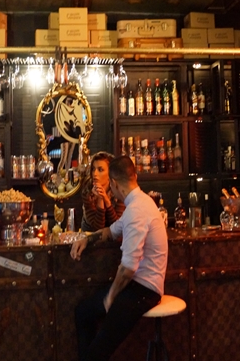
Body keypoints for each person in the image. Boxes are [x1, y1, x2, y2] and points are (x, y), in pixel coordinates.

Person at [70, 155, 168, 361]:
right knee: (83, 312)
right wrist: (87, 240)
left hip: (144, 290)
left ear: (114, 183)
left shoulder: (136, 210)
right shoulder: (139, 203)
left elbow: (128, 268)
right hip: (137, 286)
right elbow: (110, 231)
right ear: (134, 177)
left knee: (98, 351)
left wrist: (111, 297)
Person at [80, 151, 125, 232]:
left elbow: (118, 227)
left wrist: (107, 201)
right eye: (93, 169)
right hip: (90, 236)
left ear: (110, 173)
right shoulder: (87, 191)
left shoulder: (119, 190)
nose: (95, 173)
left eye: (100, 170)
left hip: (113, 237)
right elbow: (97, 228)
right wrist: (100, 199)